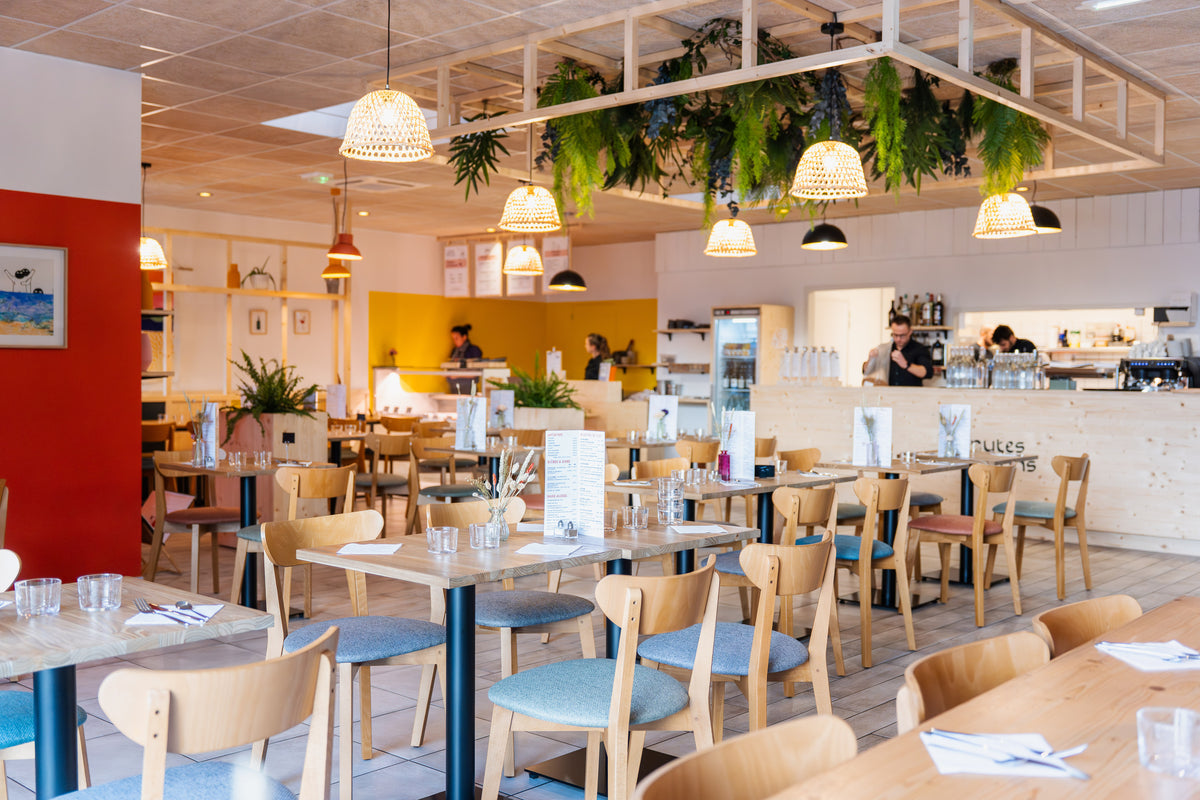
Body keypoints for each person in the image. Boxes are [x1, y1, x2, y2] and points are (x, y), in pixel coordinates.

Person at [862, 314, 933, 387]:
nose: (898, 339)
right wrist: (871, 359)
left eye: (902, 335)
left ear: (910, 332)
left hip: (911, 393)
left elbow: (927, 373)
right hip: (888, 392)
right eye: (895, 335)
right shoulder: (886, 349)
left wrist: (906, 365)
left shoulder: (919, 349)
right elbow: (866, 371)